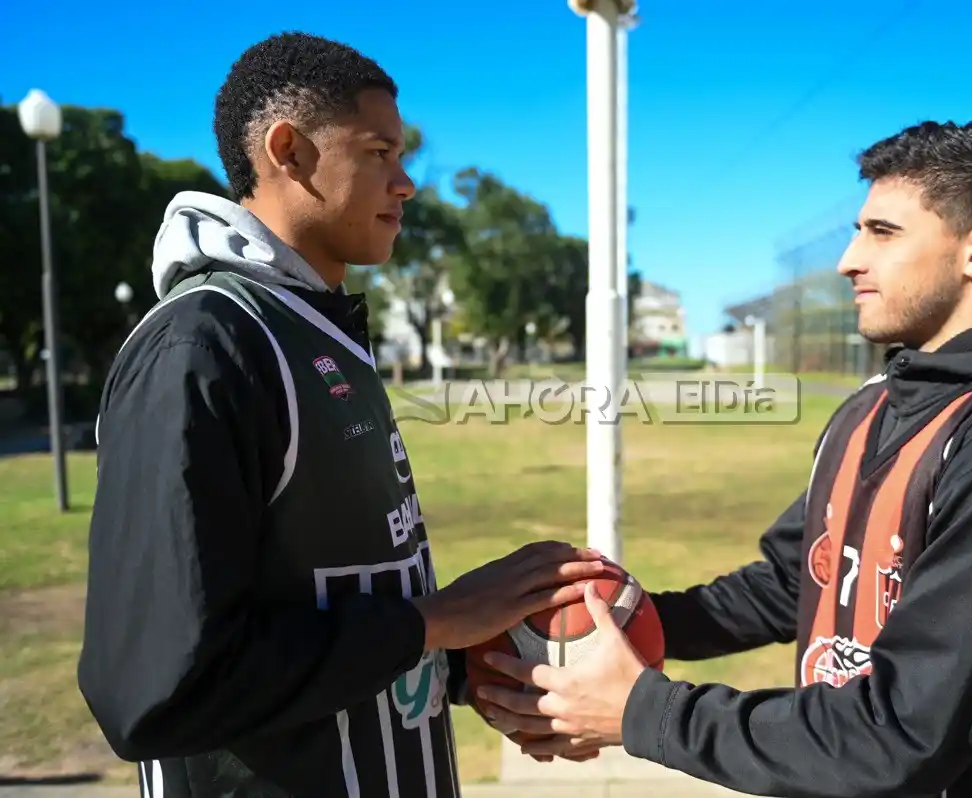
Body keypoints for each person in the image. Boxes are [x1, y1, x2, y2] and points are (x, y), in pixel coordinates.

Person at [476, 121, 972, 797]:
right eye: (857, 231)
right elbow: (799, 580)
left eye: (883, 232)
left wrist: (643, 712)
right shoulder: (873, 405)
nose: (849, 259)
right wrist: (614, 622)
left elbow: (902, 734)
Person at [77, 31, 606, 798]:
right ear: (288, 151)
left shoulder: (316, 329)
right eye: (379, 153)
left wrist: (468, 663)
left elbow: (328, 597)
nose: (406, 184)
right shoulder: (201, 346)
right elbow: (158, 687)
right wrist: (431, 623)